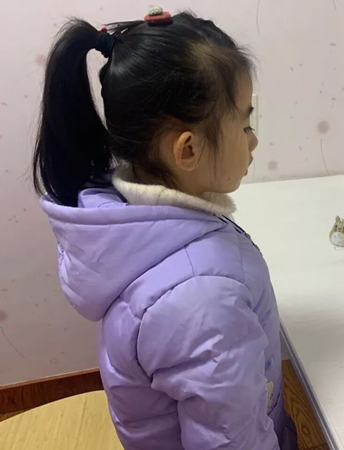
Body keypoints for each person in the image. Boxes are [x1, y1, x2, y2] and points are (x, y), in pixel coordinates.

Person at [33, 8, 297, 450]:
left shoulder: (135, 218)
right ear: (187, 150)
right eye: (245, 123)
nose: (253, 140)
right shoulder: (201, 300)